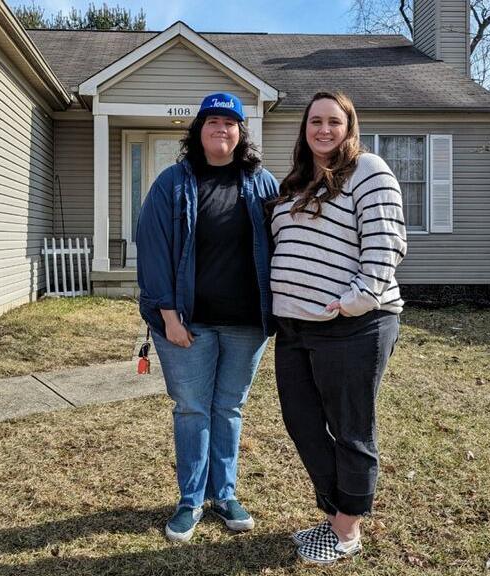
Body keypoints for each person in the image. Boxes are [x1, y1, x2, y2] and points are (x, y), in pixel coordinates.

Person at [269, 91, 407, 564]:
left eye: (334, 121)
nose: (323, 130)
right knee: (303, 423)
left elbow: (387, 243)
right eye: (315, 121)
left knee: (350, 430)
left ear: (350, 127)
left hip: (352, 327)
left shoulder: (368, 170)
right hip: (295, 328)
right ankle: (335, 513)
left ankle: (346, 530)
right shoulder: (296, 183)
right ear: (304, 128)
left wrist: (355, 301)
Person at [136, 92, 280, 543]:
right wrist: (168, 315)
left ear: (241, 133)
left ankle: (225, 494)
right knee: (193, 409)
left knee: (229, 408)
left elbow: (286, 243)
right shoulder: (171, 183)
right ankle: (191, 500)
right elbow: (153, 251)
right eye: (212, 121)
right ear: (198, 131)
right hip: (187, 324)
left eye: (230, 122)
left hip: (247, 324)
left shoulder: (261, 183)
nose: (222, 128)